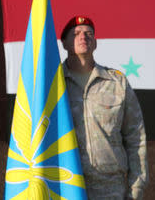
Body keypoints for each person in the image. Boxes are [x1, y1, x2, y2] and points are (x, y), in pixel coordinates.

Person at [60, 16, 148, 200]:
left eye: (89, 33)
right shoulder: (53, 86)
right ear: (65, 43)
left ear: (96, 43)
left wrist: (136, 188)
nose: (84, 37)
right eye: (76, 34)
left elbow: (136, 137)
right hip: (65, 186)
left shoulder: (117, 82)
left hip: (110, 189)